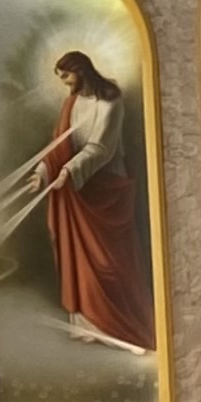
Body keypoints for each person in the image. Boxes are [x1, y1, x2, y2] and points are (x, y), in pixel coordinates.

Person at [33, 51, 154, 355]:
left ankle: (119, 324)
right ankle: (89, 325)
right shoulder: (71, 103)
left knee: (110, 262)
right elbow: (59, 143)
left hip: (107, 187)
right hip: (77, 188)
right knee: (81, 256)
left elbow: (102, 146)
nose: (64, 83)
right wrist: (43, 171)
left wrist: (68, 171)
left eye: (66, 75)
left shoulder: (110, 99)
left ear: (81, 71)